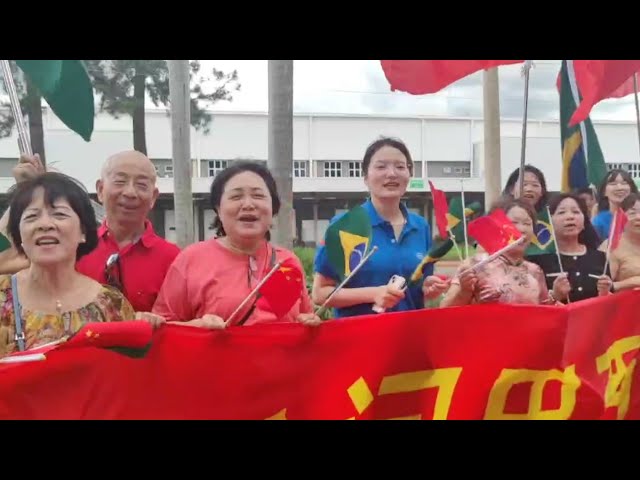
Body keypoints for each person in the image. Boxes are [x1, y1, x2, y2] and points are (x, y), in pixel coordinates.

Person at [152, 161, 320, 328]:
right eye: (236, 196)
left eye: (258, 196)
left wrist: (310, 323)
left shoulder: (288, 262)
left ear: (273, 207)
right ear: (218, 208)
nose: (248, 204)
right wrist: (197, 326)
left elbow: (305, 319)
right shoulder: (191, 259)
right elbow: (161, 330)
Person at [0, 173, 135, 358]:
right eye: (31, 217)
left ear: (83, 232)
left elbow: (127, 375)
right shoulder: (2, 295)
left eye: (59, 214)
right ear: (19, 237)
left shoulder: (112, 305)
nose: (45, 224)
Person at [311, 137, 446, 318]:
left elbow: (420, 281)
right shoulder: (346, 227)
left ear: (409, 174)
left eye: (400, 167)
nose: (391, 174)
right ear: (366, 177)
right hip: (360, 338)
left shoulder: (420, 227)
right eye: (381, 166)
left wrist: (428, 286)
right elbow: (320, 293)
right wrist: (373, 294)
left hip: (410, 336)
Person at [440, 199, 570, 307]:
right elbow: (445, 309)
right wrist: (464, 291)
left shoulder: (535, 271)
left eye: (527, 223)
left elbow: (542, 311)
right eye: (514, 222)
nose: (522, 229)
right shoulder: (474, 265)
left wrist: (556, 295)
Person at [526, 193, 612, 303]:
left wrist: (605, 294)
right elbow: (531, 305)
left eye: (576, 212)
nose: (570, 217)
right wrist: (555, 296)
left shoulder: (600, 258)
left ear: (584, 221)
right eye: (561, 212)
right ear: (549, 222)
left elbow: (611, 305)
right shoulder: (538, 261)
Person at [606, 193, 640, 293]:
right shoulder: (611, 246)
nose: (638, 217)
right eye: (632, 213)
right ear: (622, 217)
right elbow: (604, 286)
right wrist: (619, 285)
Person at [592, 169, 637, 243]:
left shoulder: (637, 217)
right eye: (613, 184)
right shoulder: (599, 222)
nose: (619, 188)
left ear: (631, 188)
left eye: (624, 183)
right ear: (604, 191)